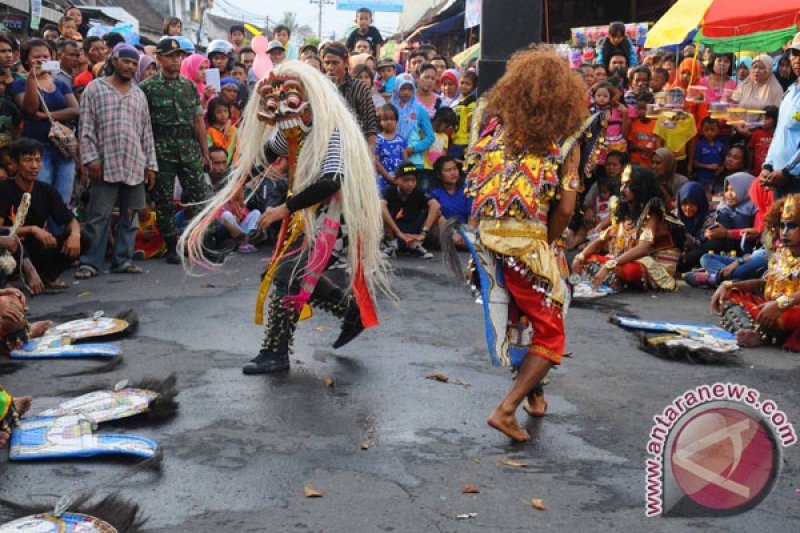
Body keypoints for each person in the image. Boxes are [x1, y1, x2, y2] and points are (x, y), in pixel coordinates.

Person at [182, 61, 390, 375]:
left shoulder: (332, 128)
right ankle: (352, 312)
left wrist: (285, 208)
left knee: (288, 275)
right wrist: (239, 185)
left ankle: (275, 352)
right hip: (308, 214)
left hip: (337, 217)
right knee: (285, 271)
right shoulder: (293, 128)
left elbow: (331, 180)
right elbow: (267, 154)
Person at [456, 46, 600, 442]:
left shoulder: (492, 132)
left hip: (489, 242)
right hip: (529, 247)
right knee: (551, 332)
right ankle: (506, 409)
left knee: (523, 319)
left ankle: (534, 393)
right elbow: (568, 209)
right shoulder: (564, 142)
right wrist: (549, 244)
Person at [76, 44, 157, 279]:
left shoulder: (138, 93)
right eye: (126, 61)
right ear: (114, 61)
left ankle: (123, 260)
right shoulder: (95, 89)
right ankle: (90, 262)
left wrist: (150, 165)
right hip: (104, 163)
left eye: (134, 63)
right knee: (98, 216)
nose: (130, 67)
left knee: (131, 216)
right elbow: (86, 128)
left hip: (134, 163)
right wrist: (91, 160)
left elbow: (146, 132)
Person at [140, 37, 211, 264]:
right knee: (164, 200)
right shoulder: (147, 88)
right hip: (161, 150)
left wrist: (205, 152)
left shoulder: (188, 86)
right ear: (159, 58)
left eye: (179, 56)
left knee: (199, 196)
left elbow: (198, 120)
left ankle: (196, 242)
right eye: (170, 56)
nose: (176, 60)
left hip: (188, 148)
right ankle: (172, 245)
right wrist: (146, 159)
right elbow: (142, 125)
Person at [573, 166, 684, 293]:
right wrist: (580, 257)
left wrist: (609, 265)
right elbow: (601, 239)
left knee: (630, 270)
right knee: (590, 259)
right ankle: (614, 278)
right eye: (622, 184)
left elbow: (643, 248)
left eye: (628, 185)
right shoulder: (624, 213)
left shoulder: (652, 214)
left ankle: (614, 278)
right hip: (623, 261)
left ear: (641, 188)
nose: (622, 190)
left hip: (653, 265)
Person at [711, 195, 800, 348]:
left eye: (792, 226)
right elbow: (765, 284)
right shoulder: (781, 251)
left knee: (784, 317)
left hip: (790, 311)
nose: (784, 232)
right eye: (782, 225)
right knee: (728, 296)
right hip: (770, 306)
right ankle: (752, 331)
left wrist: (780, 305)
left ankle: (759, 334)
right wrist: (731, 285)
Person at [0, 138, 83, 294]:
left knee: (85, 237)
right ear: (15, 164)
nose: (34, 166)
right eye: (28, 160)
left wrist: (75, 235)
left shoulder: (46, 190)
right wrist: (32, 229)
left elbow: (70, 220)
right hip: (10, 250)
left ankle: (46, 276)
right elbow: (1, 232)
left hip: (37, 249)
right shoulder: (4, 189)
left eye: (38, 160)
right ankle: (9, 280)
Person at [7, 39, 79, 205]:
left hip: (63, 148)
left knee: (62, 199)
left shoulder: (60, 84)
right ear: (26, 60)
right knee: (39, 197)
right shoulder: (20, 84)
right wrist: (32, 80)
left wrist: (46, 115)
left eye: (46, 56)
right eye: (37, 57)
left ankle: (58, 231)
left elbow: (75, 110)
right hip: (37, 150)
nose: (42, 60)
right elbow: (30, 109)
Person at [683, 173, 759, 284]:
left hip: (747, 256)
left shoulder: (755, 209)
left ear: (746, 190)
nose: (729, 194)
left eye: (734, 190)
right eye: (727, 190)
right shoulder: (723, 209)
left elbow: (756, 233)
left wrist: (726, 233)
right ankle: (721, 277)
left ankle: (714, 277)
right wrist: (710, 234)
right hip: (729, 256)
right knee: (706, 258)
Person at [761, 33, 800, 198]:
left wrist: (787, 172)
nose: (797, 59)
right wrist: (768, 165)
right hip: (779, 177)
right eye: (795, 54)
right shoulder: (790, 91)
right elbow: (779, 134)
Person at [321, 43, 378, 152]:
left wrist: (370, 152)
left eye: (335, 63)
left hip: (354, 147)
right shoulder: (321, 88)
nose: (330, 68)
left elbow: (370, 125)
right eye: (327, 63)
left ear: (346, 63)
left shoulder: (359, 87)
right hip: (326, 146)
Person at [380, 161, 439, 259]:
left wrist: (424, 233)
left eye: (413, 180)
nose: (410, 184)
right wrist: (399, 233)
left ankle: (416, 244)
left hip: (413, 227)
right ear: (396, 180)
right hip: (394, 229)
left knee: (437, 212)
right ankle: (392, 244)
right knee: (381, 209)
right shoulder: (389, 191)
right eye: (405, 180)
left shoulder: (418, 191)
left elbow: (435, 205)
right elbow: (381, 206)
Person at [391, 73, 434, 170]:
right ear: (396, 88)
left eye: (410, 89)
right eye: (403, 88)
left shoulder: (419, 110)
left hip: (414, 161)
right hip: (393, 158)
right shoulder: (390, 109)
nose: (406, 92)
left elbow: (430, 137)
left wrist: (413, 149)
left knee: (412, 184)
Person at [375, 103, 406, 195]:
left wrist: (404, 177)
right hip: (383, 180)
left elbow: (405, 161)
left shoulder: (401, 140)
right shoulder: (377, 140)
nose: (389, 122)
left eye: (392, 119)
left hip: (399, 181)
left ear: (396, 121)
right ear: (380, 122)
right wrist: (388, 177)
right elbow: (376, 161)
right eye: (385, 119)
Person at [688, 117, 725, 193]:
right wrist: (708, 166)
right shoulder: (700, 145)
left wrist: (721, 168)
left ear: (717, 131)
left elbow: (724, 159)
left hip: (717, 177)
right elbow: (695, 163)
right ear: (702, 131)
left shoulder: (720, 145)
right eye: (706, 130)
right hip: (703, 177)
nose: (709, 133)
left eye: (712, 130)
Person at [626, 91, 660, 166]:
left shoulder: (657, 123)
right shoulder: (633, 123)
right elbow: (628, 145)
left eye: (645, 108)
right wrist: (638, 146)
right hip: (636, 163)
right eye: (639, 108)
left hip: (652, 164)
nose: (642, 111)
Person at [451, 71, 477, 161]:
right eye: (462, 83)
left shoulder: (471, 101)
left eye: (468, 84)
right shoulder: (460, 100)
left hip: (464, 142)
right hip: (456, 140)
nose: (464, 86)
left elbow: (471, 122)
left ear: (474, 86)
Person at [205, 97, 238, 165]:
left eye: (225, 111)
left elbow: (237, 148)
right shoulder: (210, 131)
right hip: (216, 166)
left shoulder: (233, 130)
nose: (223, 115)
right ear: (212, 114)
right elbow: (209, 150)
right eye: (218, 112)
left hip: (232, 165)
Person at [747, 105, 778, 175]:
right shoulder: (756, 133)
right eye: (762, 118)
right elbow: (751, 152)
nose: (763, 121)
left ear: (775, 120)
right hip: (756, 171)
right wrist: (749, 168)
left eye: (766, 118)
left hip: (772, 172)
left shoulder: (778, 135)